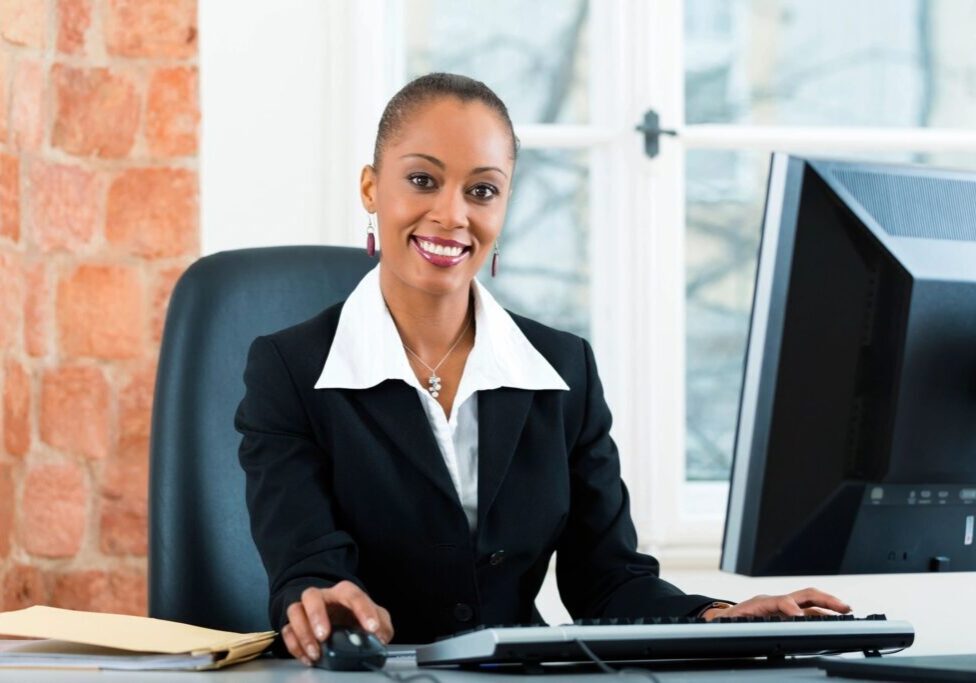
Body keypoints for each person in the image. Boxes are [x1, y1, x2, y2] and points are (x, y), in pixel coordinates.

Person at [235, 73, 850, 666]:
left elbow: (608, 584)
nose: (452, 214)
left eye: (482, 190)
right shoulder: (290, 370)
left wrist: (723, 618)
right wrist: (327, 607)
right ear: (371, 188)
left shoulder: (562, 371)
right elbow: (308, 567)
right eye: (423, 180)